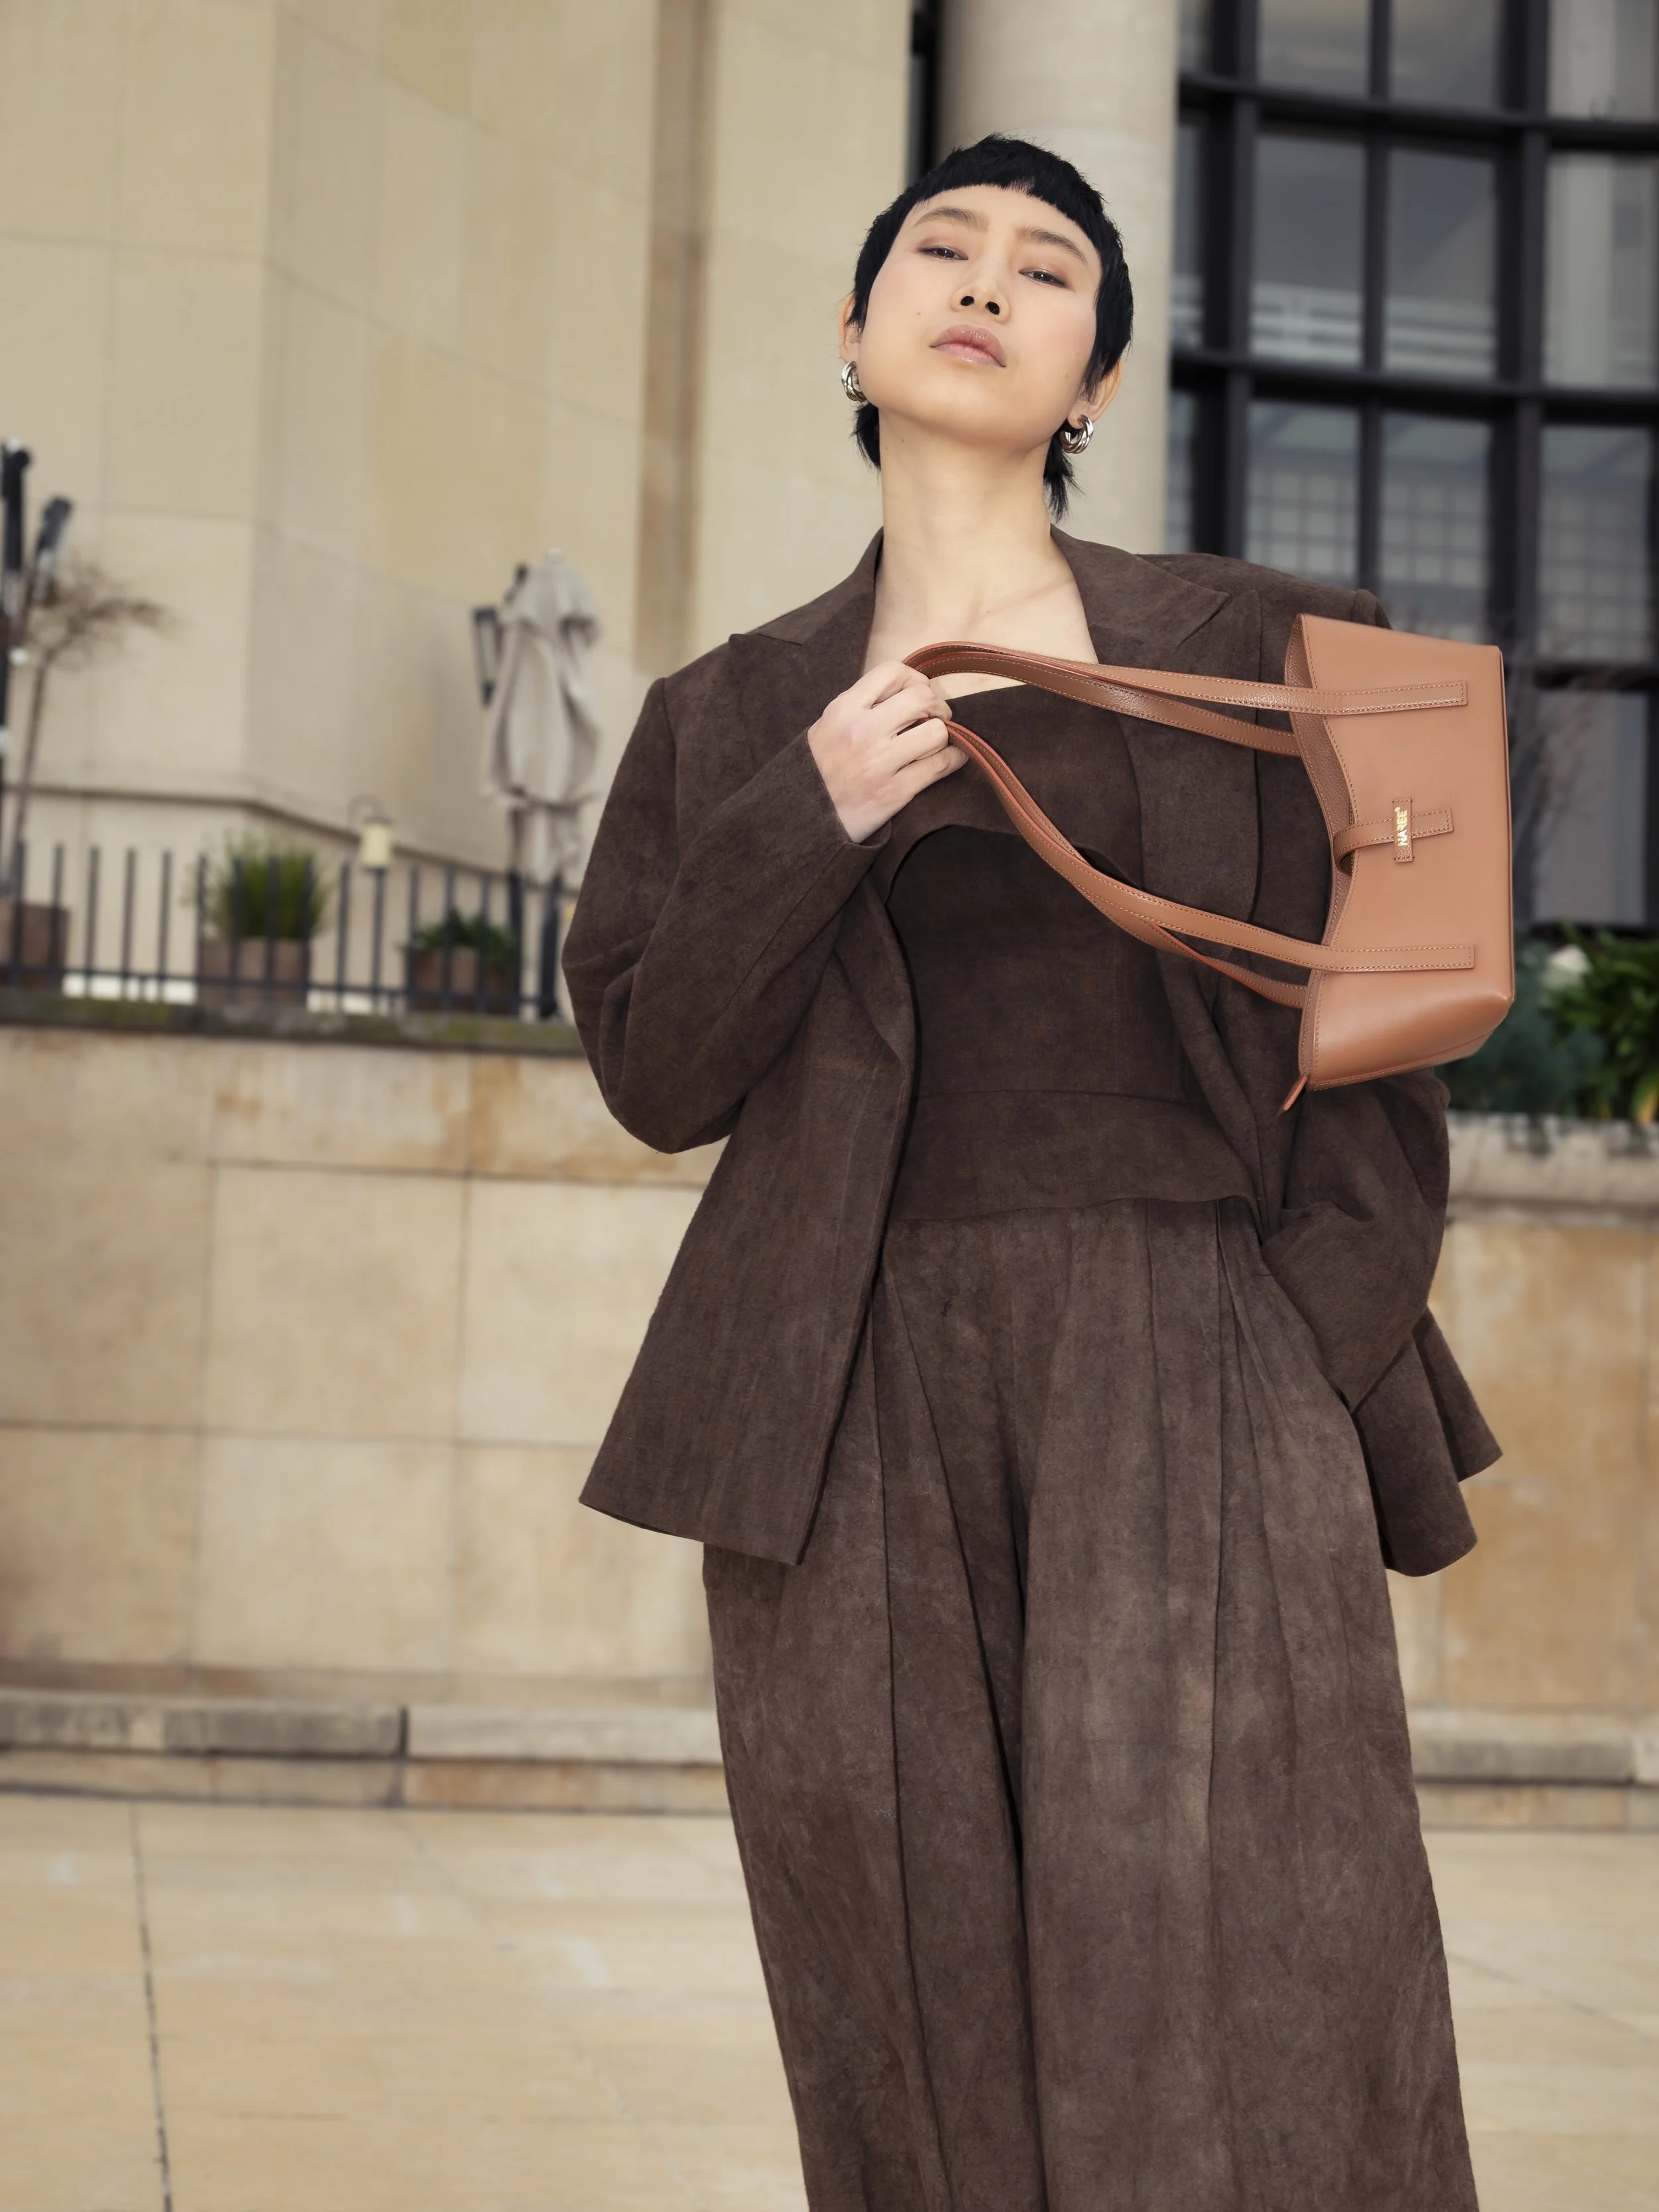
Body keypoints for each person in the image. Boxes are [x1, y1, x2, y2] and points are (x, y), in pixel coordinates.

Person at [564, 135, 1496, 2212]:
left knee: (1247, 1966)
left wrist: (1293, 1350)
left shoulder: (1273, 639)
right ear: (854, 328)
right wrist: (805, 812)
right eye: (940, 249)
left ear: (1091, 379)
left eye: (1047, 267)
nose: (985, 279)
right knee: (901, 1982)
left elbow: (1407, 1013)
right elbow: (653, 1067)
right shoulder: (726, 716)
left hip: (1191, 1349)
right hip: (847, 1389)